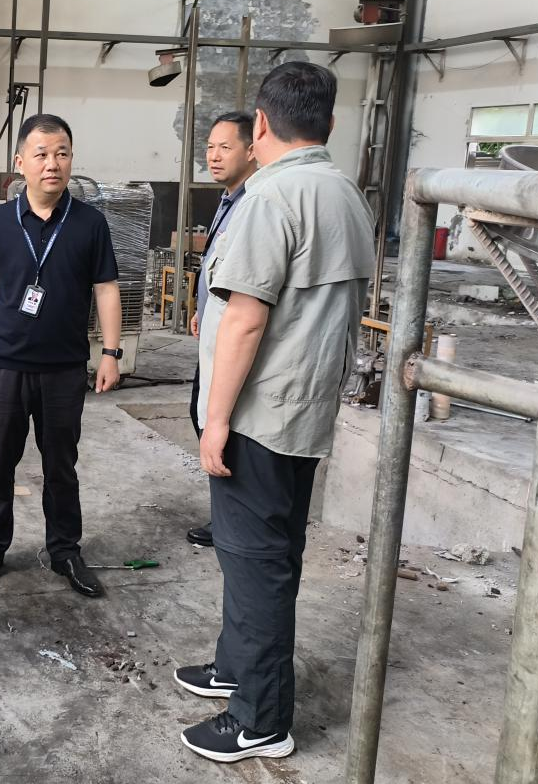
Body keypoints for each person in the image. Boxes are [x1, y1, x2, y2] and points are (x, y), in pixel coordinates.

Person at [174, 62, 374, 763]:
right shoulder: (344, 193)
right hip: (305, 410)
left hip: (258, 416)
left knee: (256, 564)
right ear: (330, 123)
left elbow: (245, 319)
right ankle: (236, 666)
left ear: (260, 124)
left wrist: (216, 419)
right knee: (264, 554)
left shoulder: (272, 196)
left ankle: (259, 718)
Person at [0, 113, 123, 598]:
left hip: (63, 369)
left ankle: (65, 550)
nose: (53, 164)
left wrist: (110, 352)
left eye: (62, 153)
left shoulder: (90, 223)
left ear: (71, 159)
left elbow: (107, 289)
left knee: (61, 466)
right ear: (20, 163)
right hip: (6, 365)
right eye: (42, 154)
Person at [184, 111, 258, 549]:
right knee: (202, 416)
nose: (213, 156)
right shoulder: (229, 199)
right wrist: (201, 308)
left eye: (225, 147)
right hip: (213, 331)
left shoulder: (254, 205)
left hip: (232, 338)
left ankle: (232, 521)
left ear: (252, 150)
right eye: (210, 147)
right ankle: (226, 515)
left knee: (222, 424)